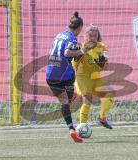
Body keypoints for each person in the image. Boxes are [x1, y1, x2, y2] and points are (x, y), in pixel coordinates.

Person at [46, 12, 86, 143]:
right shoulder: (72, 38)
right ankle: (72, 94)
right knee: (69, 94)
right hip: (63, 75)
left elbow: (53, 50)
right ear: (79, 27)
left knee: (64, 102)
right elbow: (67, 52)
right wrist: (81, 51)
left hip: (50, 74)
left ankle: (71, 129)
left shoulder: (59, 35)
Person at [73, 24, 114, 129]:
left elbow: (103, 65)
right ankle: (82, 126)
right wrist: (81, 55)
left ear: (97, 36)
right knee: (87, 99)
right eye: (90, 36)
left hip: (95, 78)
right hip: (81, 78)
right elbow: (74, 64)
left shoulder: (102, 47)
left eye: (94, 36)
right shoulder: (81, 47)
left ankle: (102, 117)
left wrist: (102, 61)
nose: (92, 38)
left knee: (110, 93)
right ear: (86, 36)